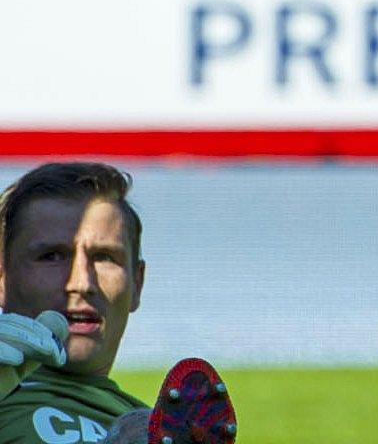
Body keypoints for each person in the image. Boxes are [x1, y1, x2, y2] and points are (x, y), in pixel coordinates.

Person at [0, 162, 237, 444]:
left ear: (137, 283)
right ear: (2, 277)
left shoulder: (163, 428)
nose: (81, 283)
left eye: (104, 257)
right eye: (51, 256)